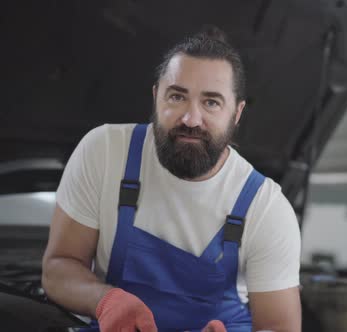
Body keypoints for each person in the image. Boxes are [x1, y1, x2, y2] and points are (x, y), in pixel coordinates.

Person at [41, 26, 302, 332]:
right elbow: (59, 267)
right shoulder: (106, 152)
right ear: (156, 96)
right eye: (177, 96)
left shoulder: (265, 207)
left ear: (237, 113)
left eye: (211, 102)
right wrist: (104, 300)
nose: (191, 119)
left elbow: (279, 327)